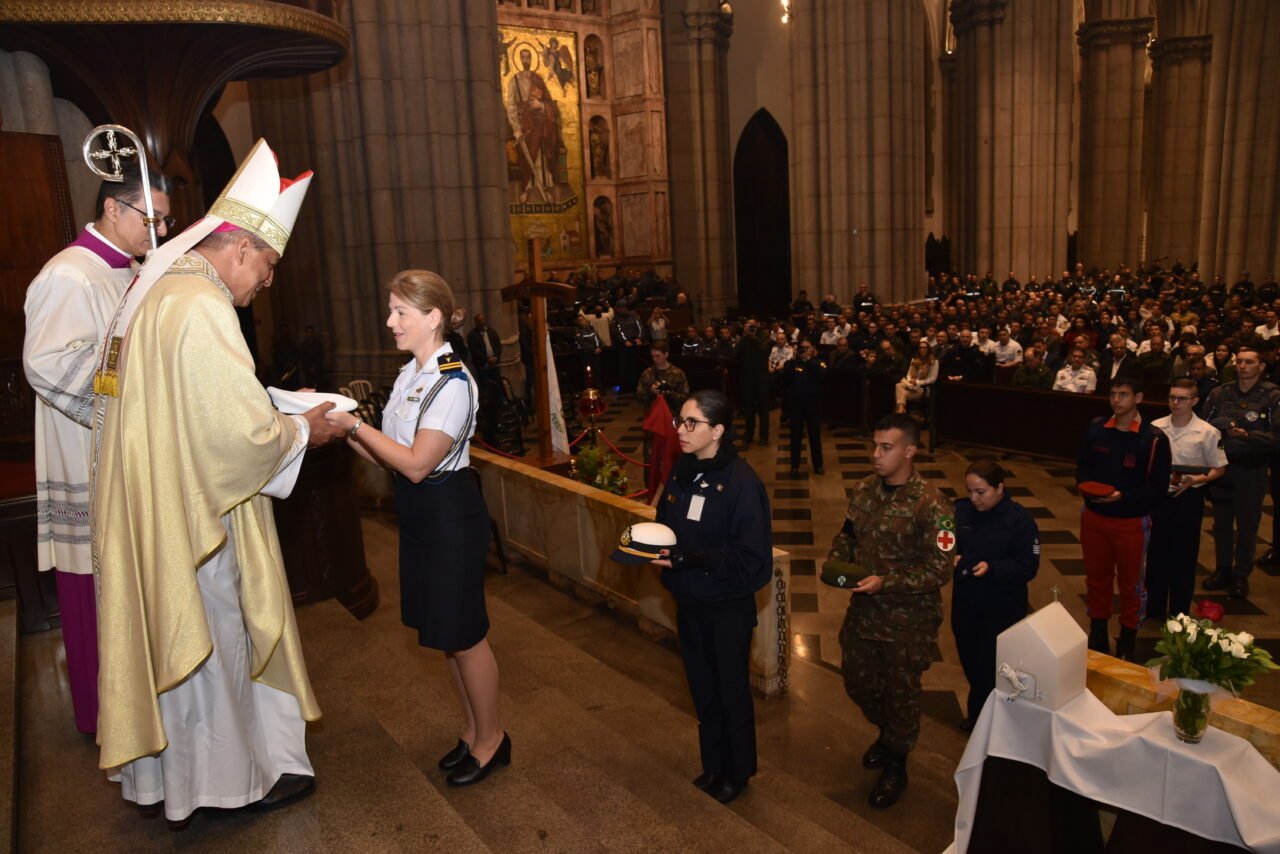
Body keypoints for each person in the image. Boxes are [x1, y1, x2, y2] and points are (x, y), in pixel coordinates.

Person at [94, 141, 344, 826]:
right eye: (266, 267)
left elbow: (196, 405)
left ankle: (174, 782)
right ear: (238, 250)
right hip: (198, 519)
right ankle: (226, 785)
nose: (265, 283)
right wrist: (303, 431)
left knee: (194, 647)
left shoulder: (161, 290)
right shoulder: (202, 306)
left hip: (164, 499)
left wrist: (268, 404)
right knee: (215, 643)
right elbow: (235, 439)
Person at [325, 269, 509, 786]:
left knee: (466, 634)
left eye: (400, 311)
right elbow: (391, 458)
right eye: (391, 309)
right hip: (420, 511)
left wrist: (356, 426)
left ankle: (493, 739)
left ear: (432, 318)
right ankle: (473, 732)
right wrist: (343, 426)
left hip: (450, 512)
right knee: (446, 634)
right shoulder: (412, 374)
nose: (390, 321)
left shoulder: (453, 382)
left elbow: (416, 463)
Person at [23, 162, 171, 734]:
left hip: (125, 452)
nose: (156, 231)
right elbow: (48, 365)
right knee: (95, 590)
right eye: (149, 218)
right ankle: (105, 717)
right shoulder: (69, 274)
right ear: (113, 209)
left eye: (164, 220)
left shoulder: (131, 271)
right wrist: (129, 378)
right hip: (87, 453)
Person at [651, 391, 772, 804]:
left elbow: (753, 560)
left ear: (717, 431)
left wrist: (695, 557)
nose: (680, 431)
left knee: (730, 691)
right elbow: (666, 524)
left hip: (726, 608)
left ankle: (737, 773)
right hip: (689, 602)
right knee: (702, 688)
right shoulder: (682, 472)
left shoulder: (742, 483)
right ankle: (713, 766)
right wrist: (653, 547)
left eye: (691, 423)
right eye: (679, 422)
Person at [828, 414, 953, 808]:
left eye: (887, 447)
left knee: (902, 693)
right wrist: (837, 562)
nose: (876, 455)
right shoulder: (865, 489)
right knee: (858, 681)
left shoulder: (932, 504)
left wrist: (888, 581)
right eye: (875, 446)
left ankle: (897, 763)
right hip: (865, 610)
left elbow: (940, 568)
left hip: (908, 621)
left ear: (910, 451)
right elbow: (848, 533)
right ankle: (889, 734)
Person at [1075, 377, 1172, 660]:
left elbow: (1157, 488)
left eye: (1124, 394)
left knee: (1132, 584)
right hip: (1093, 517)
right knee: (1097, 579)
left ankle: (1129, 635)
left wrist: (1122, 497)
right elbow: (1082, 469)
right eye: (1113, 394)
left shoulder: (1153, 439)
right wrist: (1088, 491)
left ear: (1138, 398)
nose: (1116, 399)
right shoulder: (1095, 429)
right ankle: (1098, 630)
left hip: (1131, 522)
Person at [951, 460, 1039, 729]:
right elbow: (944, 541)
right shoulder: (960, 511)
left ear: (999, 488)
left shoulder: (1019, 520)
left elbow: (1028, 566)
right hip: (966, 603)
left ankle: (986, 721)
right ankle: (980, 714)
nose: (974, 498)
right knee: (970, 660)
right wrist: (949, 557)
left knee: (992, 666)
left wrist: (993, 568)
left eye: (981, 492)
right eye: (970, 491)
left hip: (1001, 607)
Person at [1202, 345, 1280, 599]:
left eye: (1249, 362)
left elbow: (1276, 437)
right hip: (1224, 468)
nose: (1242, 366)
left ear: (1261, 367)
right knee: (1222, 524)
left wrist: (1248, 435)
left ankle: (1240, 575)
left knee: (1247, 527)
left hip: (1252, 469)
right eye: (1240, 362)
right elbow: (1203, 427)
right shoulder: (1220, 393)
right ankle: (1222, 569)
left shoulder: (1272, 397)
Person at [1148, 379, 1227, 619]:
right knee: (1156, 553)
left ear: (1194, 401)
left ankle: (1180, 610)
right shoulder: (1155, 427)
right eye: (1172, 397)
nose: (1175, 403)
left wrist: (1198, 479)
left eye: (1181, 399)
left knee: (1184, 556)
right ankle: (1154, 606)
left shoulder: (1207, 432)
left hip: (1189, 499)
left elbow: (1219, 468)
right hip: (1160, 498)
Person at [782, 339, 826, 475]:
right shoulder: (792, 364)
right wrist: (796, 358)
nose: (804, 350)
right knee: (795, 436)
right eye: (802, 348)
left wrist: (808, 360)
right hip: (796, 405)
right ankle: (794, 465)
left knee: (814, 435)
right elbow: (785, 378)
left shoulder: (819, 363)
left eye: (807, 348)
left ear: (813, 349)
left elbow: (822, 376)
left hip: (813, 404)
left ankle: (818, 465)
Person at [734, 320, 771, 446]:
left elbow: (764, 353)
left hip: (761, 379)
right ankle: (749, 434)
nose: (751, 328)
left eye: (753, 326)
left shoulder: (764, 337)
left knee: (763, 410)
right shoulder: (743, 340)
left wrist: (754, 337)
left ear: (757, 326)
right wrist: (745, 336)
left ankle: (764, 436)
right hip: (747, 379)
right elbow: (736, 353)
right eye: (748, 326)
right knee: (748, 409)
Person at [637, 340, 690, 413]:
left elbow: (685, 397)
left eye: (658, 356)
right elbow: (639, 397)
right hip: (653, 414)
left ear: (666, 354)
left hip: (673, 415)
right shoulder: (647, 373)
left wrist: (667, 393)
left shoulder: (677, 373)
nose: (654, 359)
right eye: (652, 356)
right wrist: (651, 392)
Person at [894, 339, 938, 413]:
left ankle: (900, 411)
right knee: (898, 385)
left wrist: (917, 382)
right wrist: (910, 381)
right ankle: (901, 410)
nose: (922, 349)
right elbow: (908, 374)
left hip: (922, 388)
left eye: (924, 348)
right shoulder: (914, 359)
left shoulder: (933, 361)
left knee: (901, 395)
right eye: (920, 348)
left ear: (928, 349)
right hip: (910, 385)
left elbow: (933, 379)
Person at [467, 312, 503, 385]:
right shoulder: (472, 335)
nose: (482, 322)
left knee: (498, 384)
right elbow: (474, 351)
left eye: (483, 320)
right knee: (486, 386)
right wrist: (487, 359)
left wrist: (496, 357)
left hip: (494, 364)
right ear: (476, 322)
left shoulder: (492, 332)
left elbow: (498, 345)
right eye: (480, 320)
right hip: (482, 365)